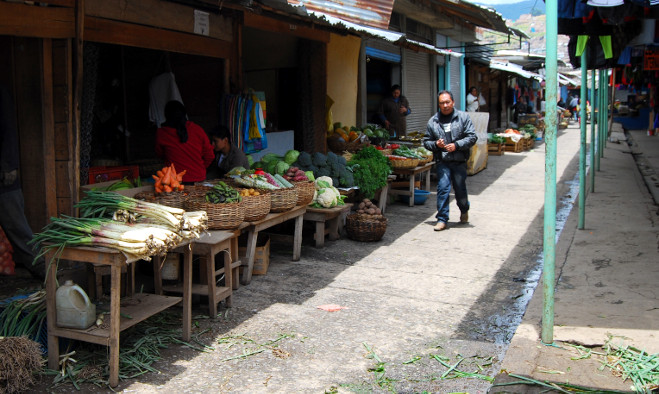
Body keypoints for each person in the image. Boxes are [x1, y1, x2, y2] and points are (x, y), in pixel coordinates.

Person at [0, 85, 43, 278]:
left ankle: (44, 271)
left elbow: (8, 128)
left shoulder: (1, 93)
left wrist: (9, 165)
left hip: (4, 176)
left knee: (17, 228)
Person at [423, 90, 477, 232]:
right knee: (443, 188)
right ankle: (442, 219)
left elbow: (472, 137)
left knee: (460, 189)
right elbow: (426, 141)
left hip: (459, 160)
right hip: (443, 161)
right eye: (442, 103)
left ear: (453, 102)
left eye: (447, 102)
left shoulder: (463, 117)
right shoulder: (433, 121)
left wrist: (457, 145)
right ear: (439, 105)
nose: (445, 105)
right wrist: (436, 145)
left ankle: (464, 209)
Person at [155, 100, 215, 183]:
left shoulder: (162, 133)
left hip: (175, 182)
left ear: (166, 116)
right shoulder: (197, 129)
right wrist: (199, 169)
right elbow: (210, 155)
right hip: (198, 178)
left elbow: (160, 154)